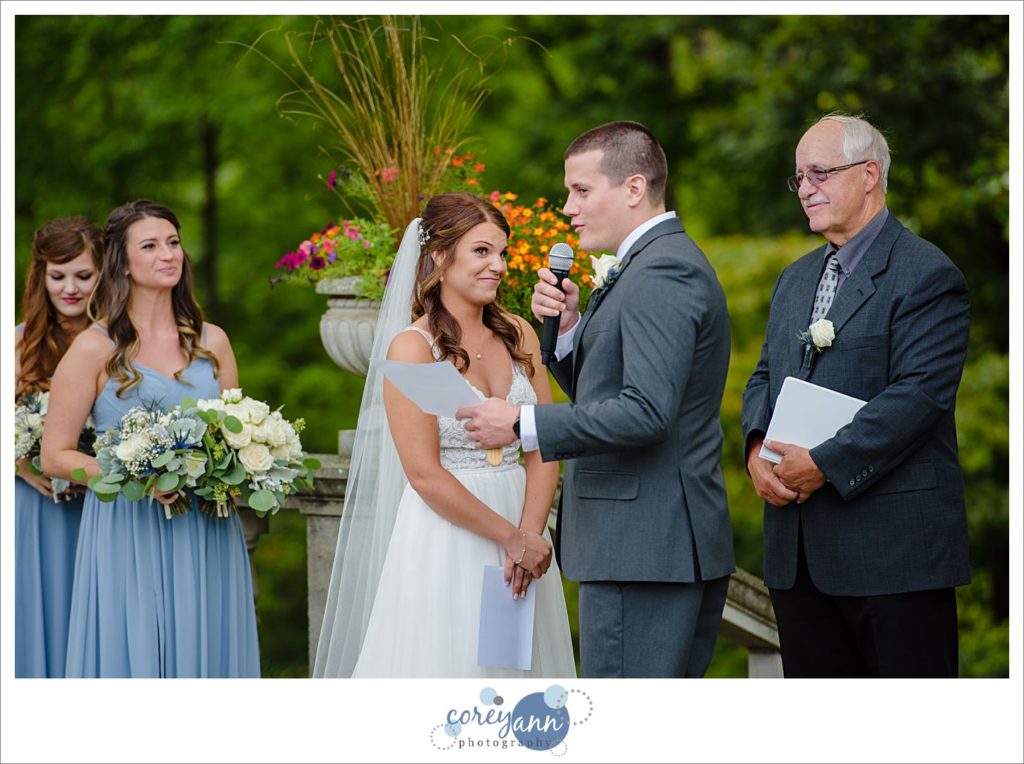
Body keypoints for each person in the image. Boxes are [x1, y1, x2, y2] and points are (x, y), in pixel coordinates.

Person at [457, 121, 735, 678]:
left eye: (581, 191)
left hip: (647, 548)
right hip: (649, 545)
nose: (568, 208)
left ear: (633, 188)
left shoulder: (664, 272)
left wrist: (521, 423)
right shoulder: (648, 266)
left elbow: (646, 412)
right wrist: (569, 328)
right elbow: (611, 391)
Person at [741, 114, 971, 677]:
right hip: (798, 556)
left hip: (895, 557)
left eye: (820, 173)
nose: (805, 189)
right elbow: (763, 376)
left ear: (869, 174)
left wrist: (822, 463)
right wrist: (755, 451)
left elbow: (918, 398)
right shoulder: (794, 279)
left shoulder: (926, 274)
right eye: (798, 178)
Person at [313, 192, 575, 678]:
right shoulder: (414, 348)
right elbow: (424, 474)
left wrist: (532, 535)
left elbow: (544, 441)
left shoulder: (520, 333)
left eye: (502, 253)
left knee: (518, 678)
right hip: (451, 530)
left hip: (524, 517)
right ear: (439, 256)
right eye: (481, 251)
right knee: (453, 669)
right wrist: (510, 538)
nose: (497, 265)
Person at [40, 199, 260, 678]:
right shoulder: (94, 348)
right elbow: (55, 456)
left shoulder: (212, 341)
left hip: (206, 528)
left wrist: (249, 466)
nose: (169, 254)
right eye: (152, 245)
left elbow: (235, 434)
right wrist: (137, 473)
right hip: (128, 530)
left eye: (174, 243)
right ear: (123, 262)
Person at [15, 216, 102, 677]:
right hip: (33, 508)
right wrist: (18, 463)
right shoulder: (19, 342)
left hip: (97, 505)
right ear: (41, 276)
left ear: (104, 275)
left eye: (83, 276)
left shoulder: (117, 344)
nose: (69, 288)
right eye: (57, 275)